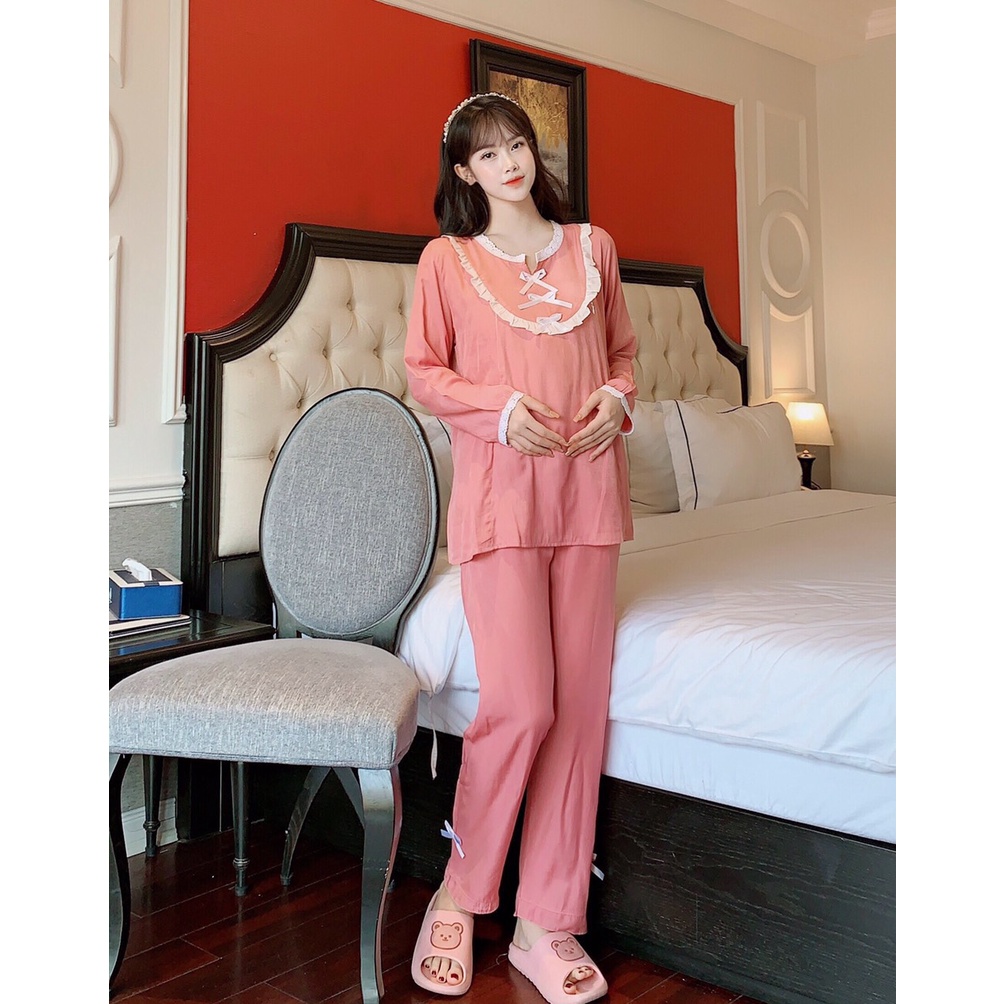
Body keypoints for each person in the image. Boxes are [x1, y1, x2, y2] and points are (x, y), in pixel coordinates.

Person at [404, 92, 637, 1004]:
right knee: (523, 704)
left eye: (518, 145)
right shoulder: (447, 260)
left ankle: (547, 920)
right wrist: (498, 411)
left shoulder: (594, 248)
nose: (508, 163)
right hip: (501, 504)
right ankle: (460, 895)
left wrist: (616, 399)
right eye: (487, 153)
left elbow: (623, 356)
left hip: (590, 500)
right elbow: (425, 373)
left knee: (578, 714)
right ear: (464, 172)